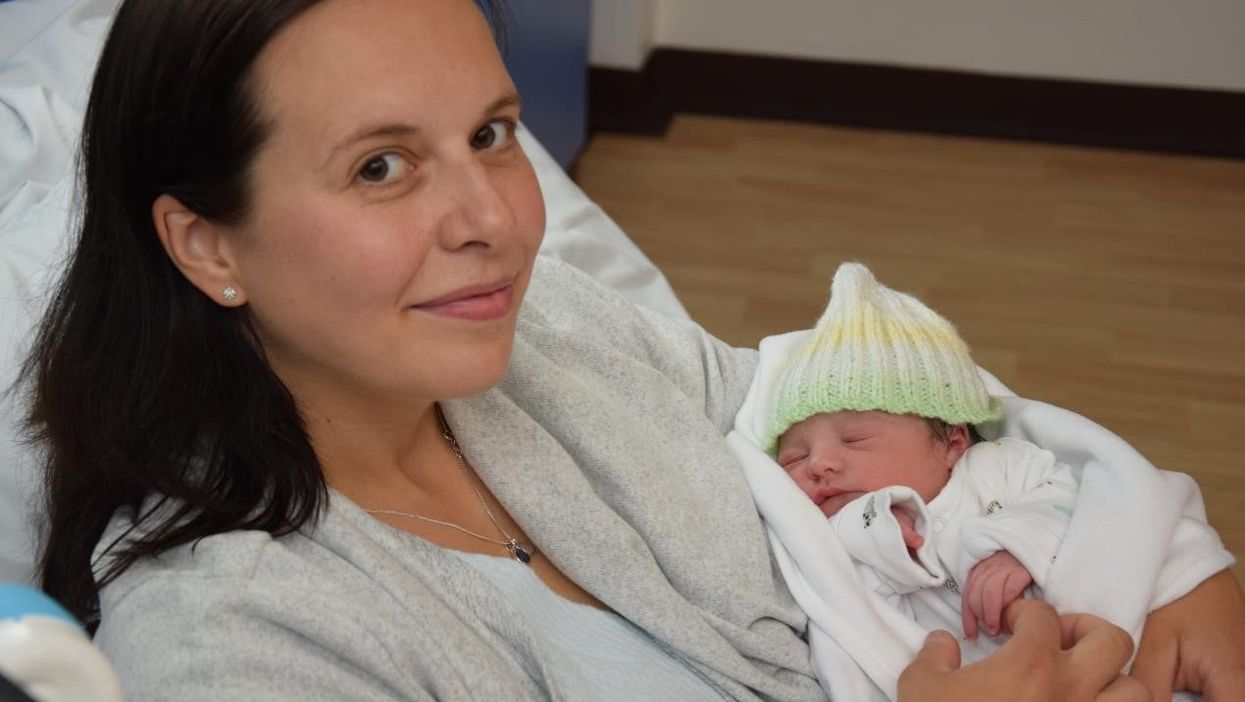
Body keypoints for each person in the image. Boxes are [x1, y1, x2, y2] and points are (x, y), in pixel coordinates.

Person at [18, 0, 1245, 700]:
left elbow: (835, 401)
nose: (495, 223)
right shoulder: (237, 642)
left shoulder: (544, 338)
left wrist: (1170, 552)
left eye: (493, 133)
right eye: (380, 166)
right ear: (205, 244)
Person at [730, 262, 1235, 700]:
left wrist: (1017, 546)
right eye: (794, 456)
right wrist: (884, 531)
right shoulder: (838, 533)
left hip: (1104, 645)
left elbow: (1076, 500)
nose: (818, 464)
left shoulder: (1002, 467)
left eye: (856, 438)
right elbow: (843, 586)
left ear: (953, 442)